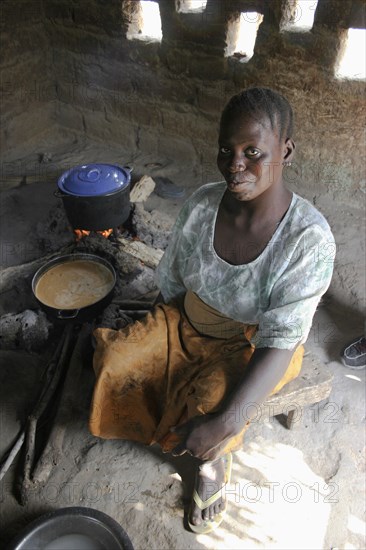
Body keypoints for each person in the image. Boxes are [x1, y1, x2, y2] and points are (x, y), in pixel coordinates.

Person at [89, 87, 335, 534]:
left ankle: (213, 466)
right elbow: (174, 281)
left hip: (255, 345)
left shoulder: (308, 240)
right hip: (187, 320)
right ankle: (170, 428)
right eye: (227, 150)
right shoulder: (203, 204)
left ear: (287, 150)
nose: (235, 164)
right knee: (115, 359)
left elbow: (280, 341)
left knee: (210, 406)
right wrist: (160, 341)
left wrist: (227, 421)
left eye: (253, 151)